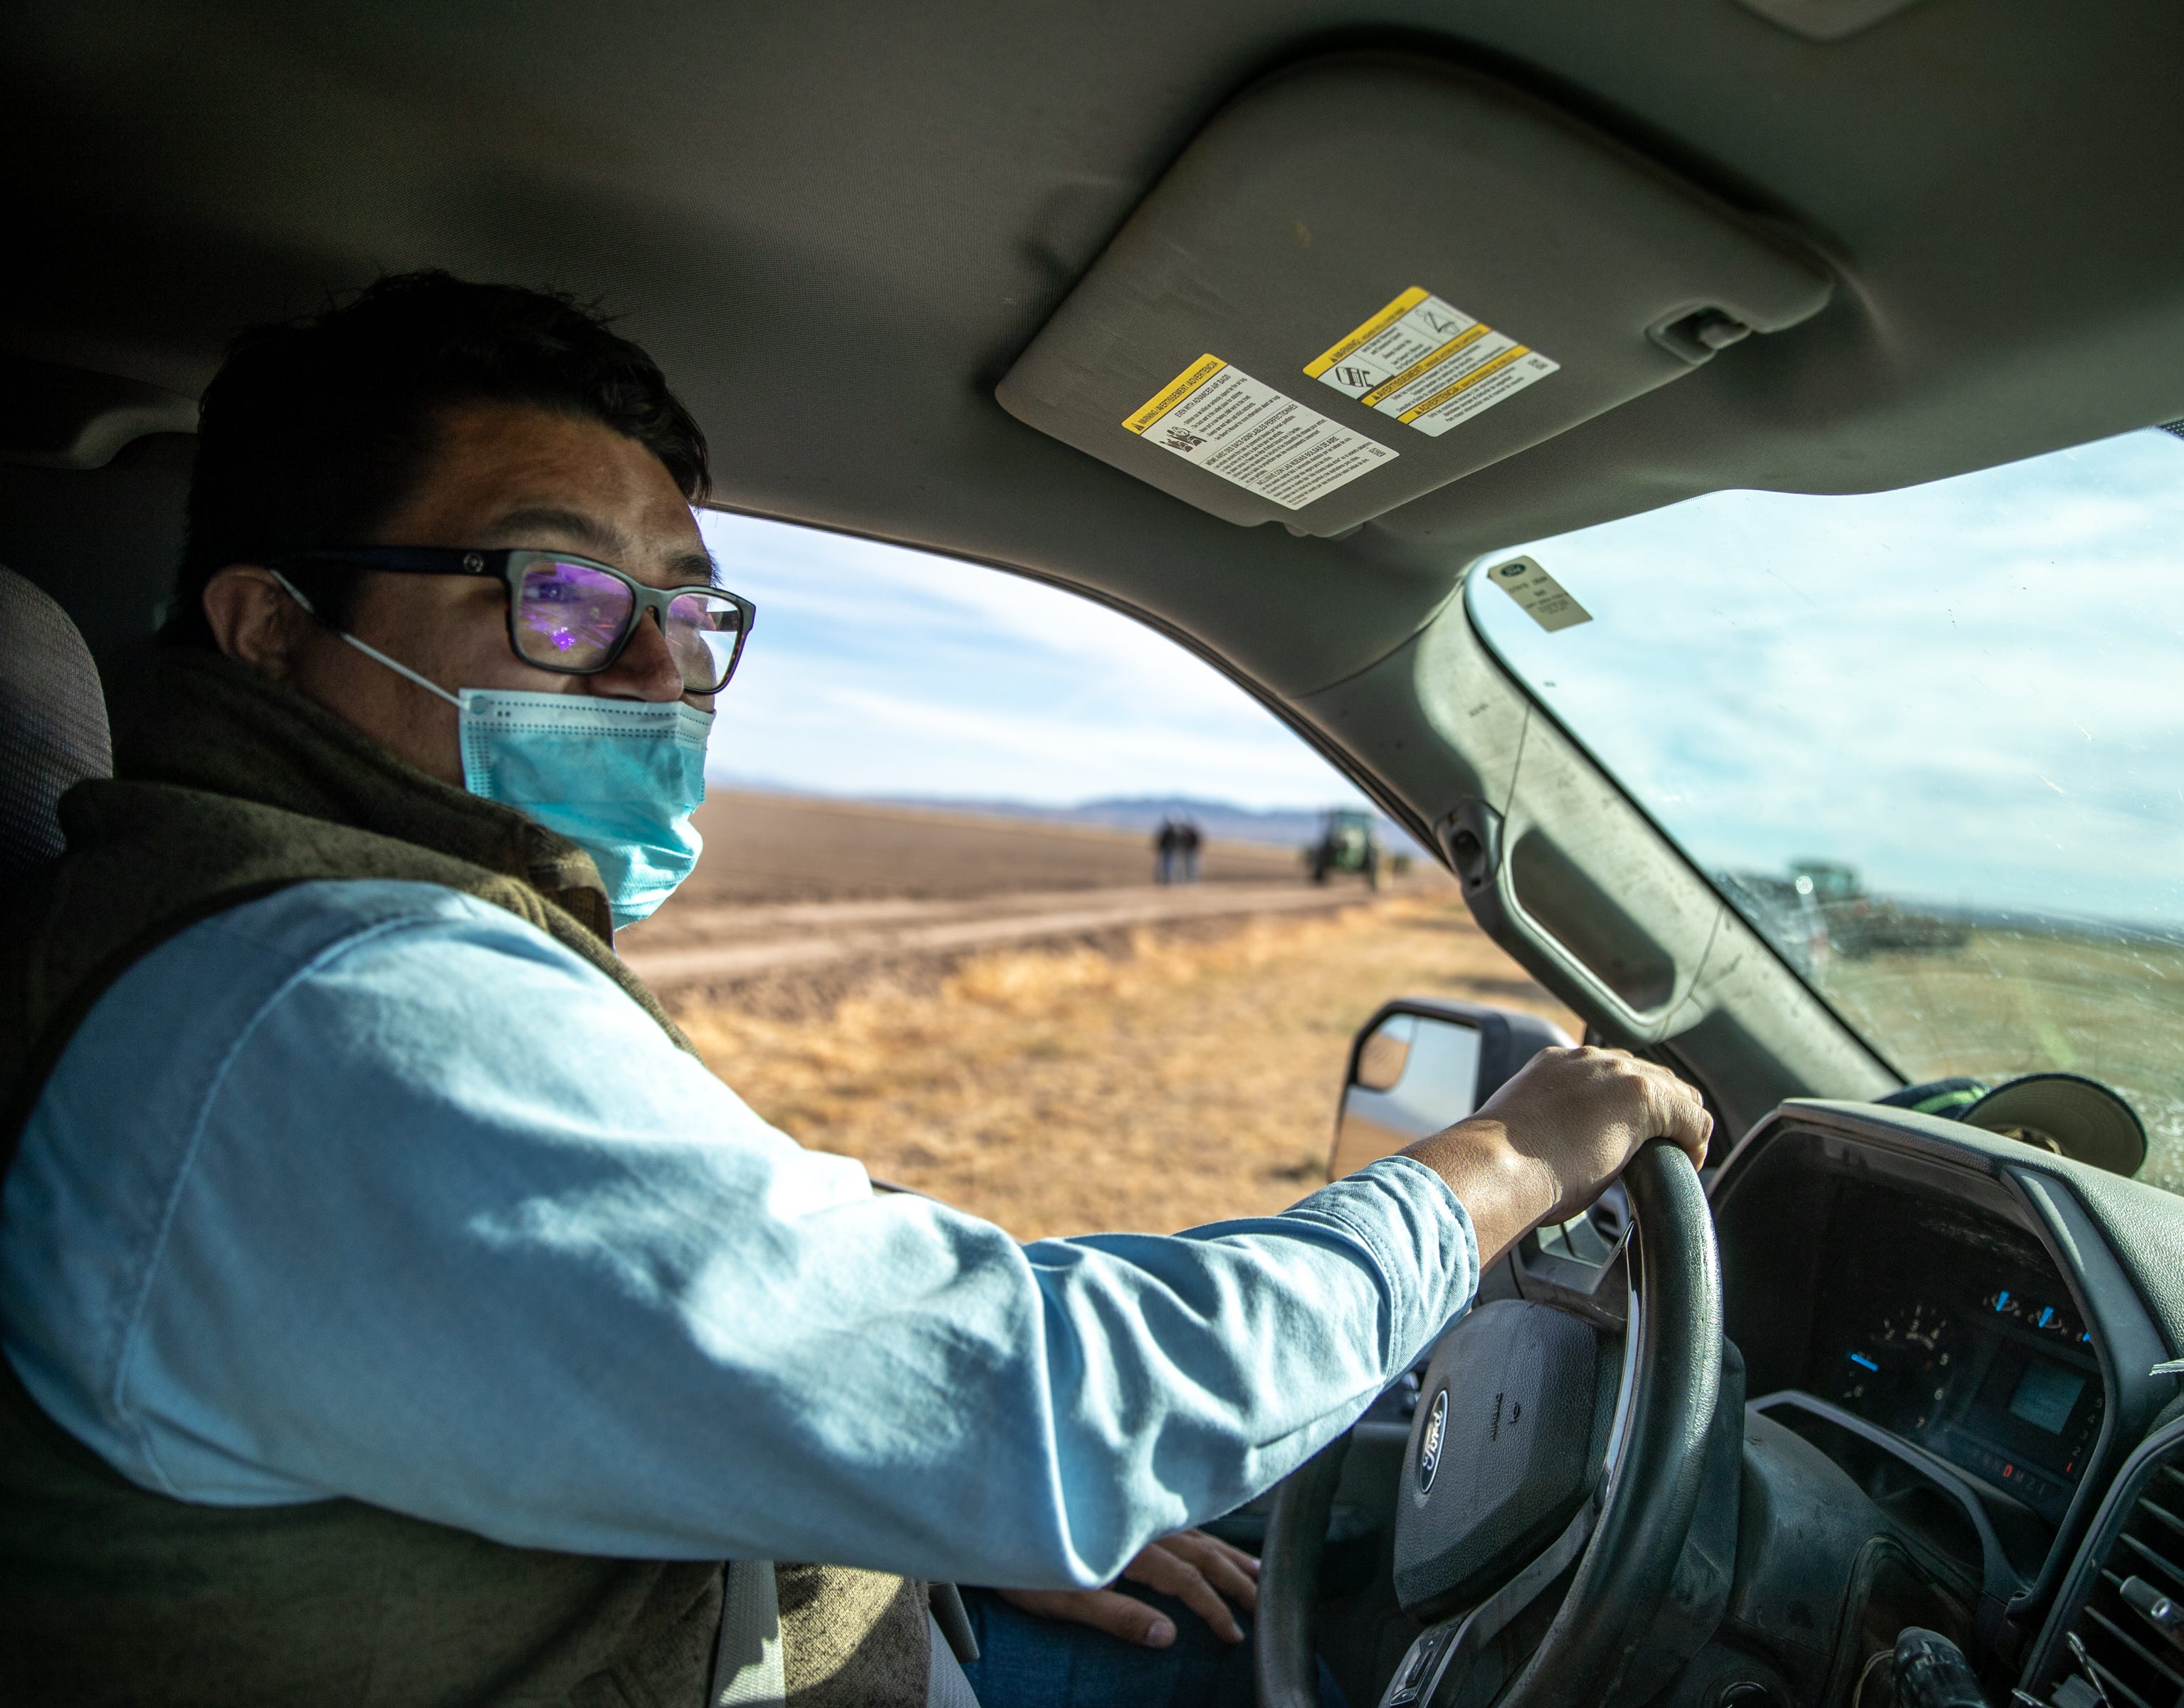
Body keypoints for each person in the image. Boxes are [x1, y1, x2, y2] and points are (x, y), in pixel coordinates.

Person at [0, 273, 1712, 1707]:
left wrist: (907, 1506)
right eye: (561, 594)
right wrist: (1508, 1163)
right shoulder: (336, 1013)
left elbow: (759, 1337)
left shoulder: (298, 945)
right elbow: (1056, 1407)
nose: (663, 669)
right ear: (267, 629)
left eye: (687, 606)